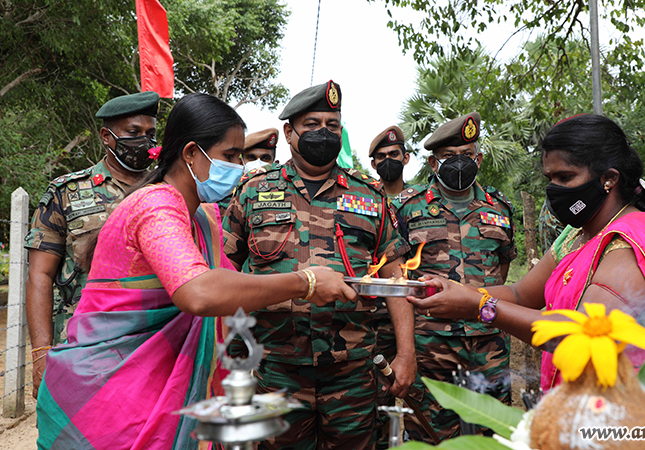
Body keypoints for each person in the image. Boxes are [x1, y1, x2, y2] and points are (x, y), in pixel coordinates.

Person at [36, 93, 357, 450]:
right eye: (229, 156)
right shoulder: (156, 205)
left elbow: (231, 290)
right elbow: (200, 293)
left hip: (155, 392)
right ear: (191, 154)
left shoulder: (203, 217)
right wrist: (306, 281)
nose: (238, 167)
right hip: (108, 398)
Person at [408, 114, 645, 427]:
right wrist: (451, 291)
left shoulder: (630, 240)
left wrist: (480, 308)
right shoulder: (577, 233)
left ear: (609, 178)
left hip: (621, 415)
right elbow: (521, 293)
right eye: (550, 178)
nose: (554, 190)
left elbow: (575, 336)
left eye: (565, 178)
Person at [222, 80, 416, 450]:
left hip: (353, 373)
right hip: (274, 367)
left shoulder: (370, 196)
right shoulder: (252, 191)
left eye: (331, 125)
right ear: (289, 132)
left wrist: (405, 354)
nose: (322, 133)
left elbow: (395, 277)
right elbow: (224, 273)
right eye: (312, 125)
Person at [24, 91, 159, 398]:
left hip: (153, 344)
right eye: (133, 133)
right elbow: (40, 275)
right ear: (107, 137)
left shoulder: (165, 189)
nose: (144, 141)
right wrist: (42, 352)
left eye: (150, 134)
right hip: (81, 347)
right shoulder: (67, 192)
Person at [393, 112, 517, 443]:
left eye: (466, 156)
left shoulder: (500, 208)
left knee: (496, 433)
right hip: (431, 343)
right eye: (449, 157)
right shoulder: (406, 207)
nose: (459, 163)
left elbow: (502, 274)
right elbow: (396, 274)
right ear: (433, 163)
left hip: (489, 340)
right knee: (431, 434)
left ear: (478, 158)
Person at [368, 125, 415, 449]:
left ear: (406, 158)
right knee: (371, 412)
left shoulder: (421, 202)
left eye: (394, 155)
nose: (388, 161)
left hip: (413, 318)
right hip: (371, 323)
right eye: (381, 157)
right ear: (373, 163)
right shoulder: (362, 201)